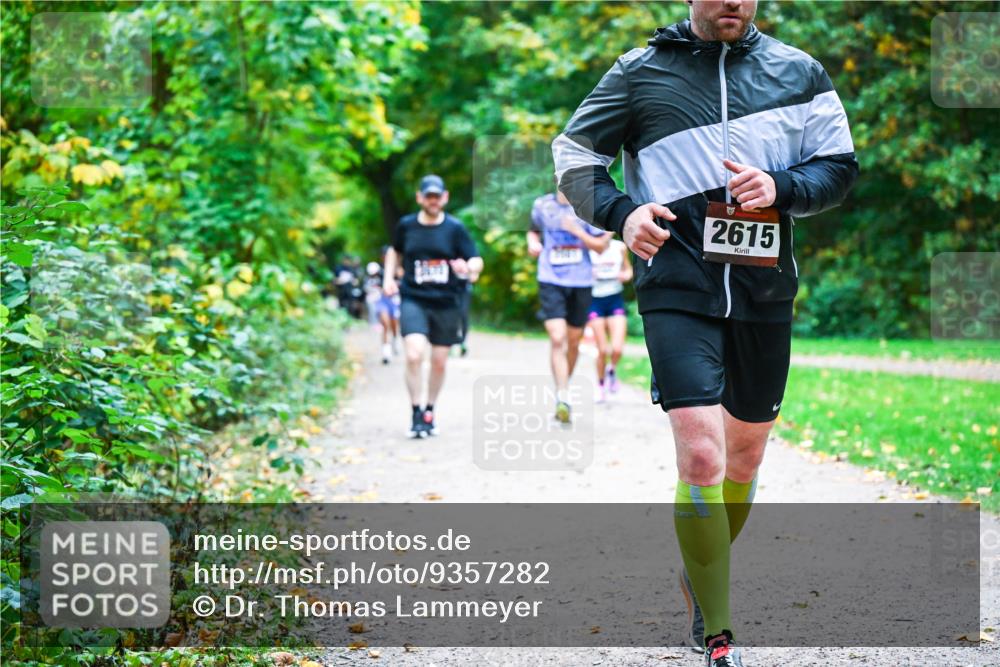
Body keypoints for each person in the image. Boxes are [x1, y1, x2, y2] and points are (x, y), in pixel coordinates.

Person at [552, 1, 858, 664]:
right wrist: (622, 213)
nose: (734, 2)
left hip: (764, 288)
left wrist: (779, 185)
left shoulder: (799, 72)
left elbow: (839, 167)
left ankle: (700, 564)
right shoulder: (640, 72)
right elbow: (573, 155)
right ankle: (718, 634)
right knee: (701, 456)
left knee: (743, 462)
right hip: (677, 286)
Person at [383, 175, 483, 438]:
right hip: (414, 297)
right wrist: (388, 279)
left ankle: (430, 410)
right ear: (420, 198)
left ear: (445, 198)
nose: (433, 201)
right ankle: (416, 412)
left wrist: (468, 268)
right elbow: (395, 251)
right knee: (414, 354)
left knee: (439, 362)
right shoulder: (406, 226)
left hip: (447, 302)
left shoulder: (455, 229)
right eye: (428, 196)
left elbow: (475, 260)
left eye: (437, 196)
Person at [527, 187, 612, 423]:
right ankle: (563, 396)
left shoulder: (586, 207)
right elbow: (533, 232)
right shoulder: (542, 205)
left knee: (573, 341)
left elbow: (601, 246)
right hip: (550, 278)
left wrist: (578, 232)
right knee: (557, 338)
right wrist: (532, 243)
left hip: (581, 281)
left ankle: (564, 386)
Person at [588, 238, 632, 402]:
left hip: (615, 299)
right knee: (602, 349)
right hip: (594, 301)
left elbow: (628, 271)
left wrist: (624, 275)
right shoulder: (588, 247)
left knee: (617, 349)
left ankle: (611, 370)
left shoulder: (619, 247)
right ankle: (600, 386)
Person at [368, 251, 401, 364]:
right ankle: (386, 353)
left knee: (394, 325)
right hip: (382, 300)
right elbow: (372, 284)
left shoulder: (399, 270)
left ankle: (396, 341)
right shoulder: (377, 270)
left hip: (394, 301)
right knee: (385, 324)